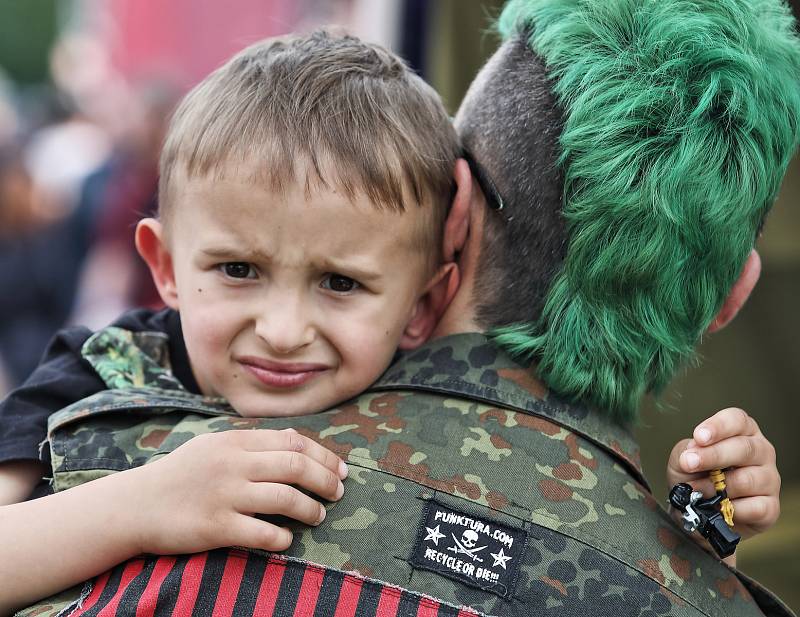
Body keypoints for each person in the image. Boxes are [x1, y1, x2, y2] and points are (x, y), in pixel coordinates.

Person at [2, 0, 797, 612]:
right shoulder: (101, 375)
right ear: (165, 266)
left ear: (431, 284)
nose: (283, 329)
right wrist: (143, 503)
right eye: (238, 268)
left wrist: (708, 526)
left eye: (341, 282)